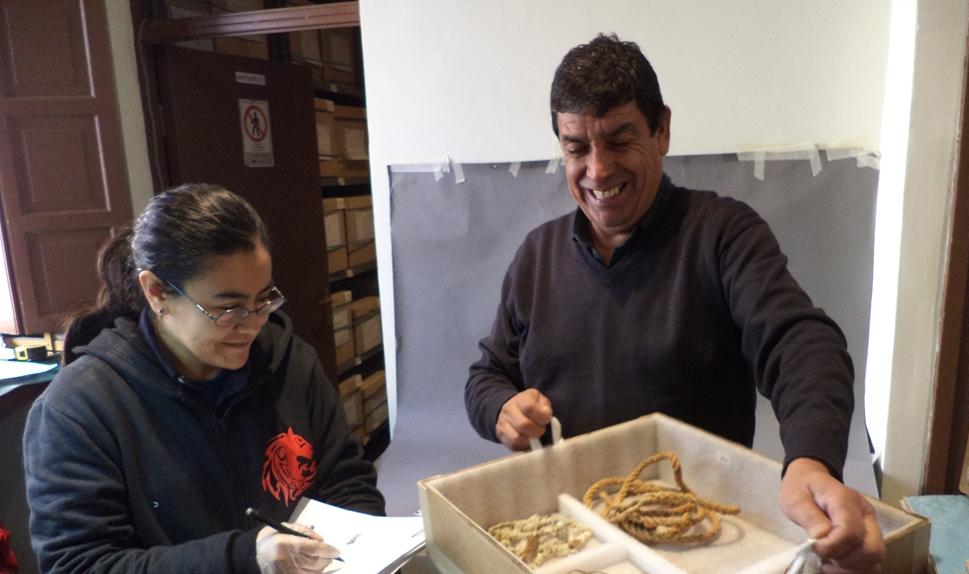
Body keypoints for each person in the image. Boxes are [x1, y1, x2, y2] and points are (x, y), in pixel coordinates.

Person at [465, 34, 884, 573]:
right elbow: (487, 374)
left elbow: (801, 341)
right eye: (576, 148)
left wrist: (811, 460)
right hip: (574, 531)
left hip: (699, 536)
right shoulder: (536, 255)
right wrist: (501, 408)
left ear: (661, 129)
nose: (597, 170)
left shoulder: (722, 234)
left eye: (620, 140)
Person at [23, 184, 384, 574]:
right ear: (157, 291)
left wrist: (362, 553)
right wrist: (245, 558)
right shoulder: (81, 408)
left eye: (263, 299)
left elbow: (347, 483)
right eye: (227, 308)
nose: (253, 323)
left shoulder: (290, 362)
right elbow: (79, 565)